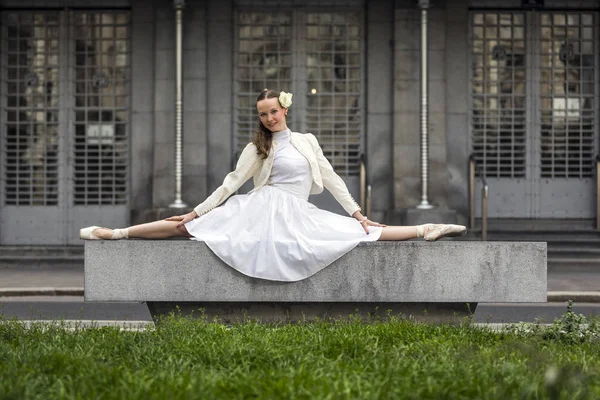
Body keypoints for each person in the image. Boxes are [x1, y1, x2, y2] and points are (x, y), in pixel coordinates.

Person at [80, 89, 466, 281]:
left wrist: (358, 213)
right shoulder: (257, 147)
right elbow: (231, 184)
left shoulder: (307, 141)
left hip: (296, 210)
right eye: (263, 114)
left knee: (357, 231)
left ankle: (426, 229)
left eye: (273, 112)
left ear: (285, 110)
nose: (268, 118)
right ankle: (114, 233)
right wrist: (198, 209)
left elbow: (331, 180)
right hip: (261, 207)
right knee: (186, 226)